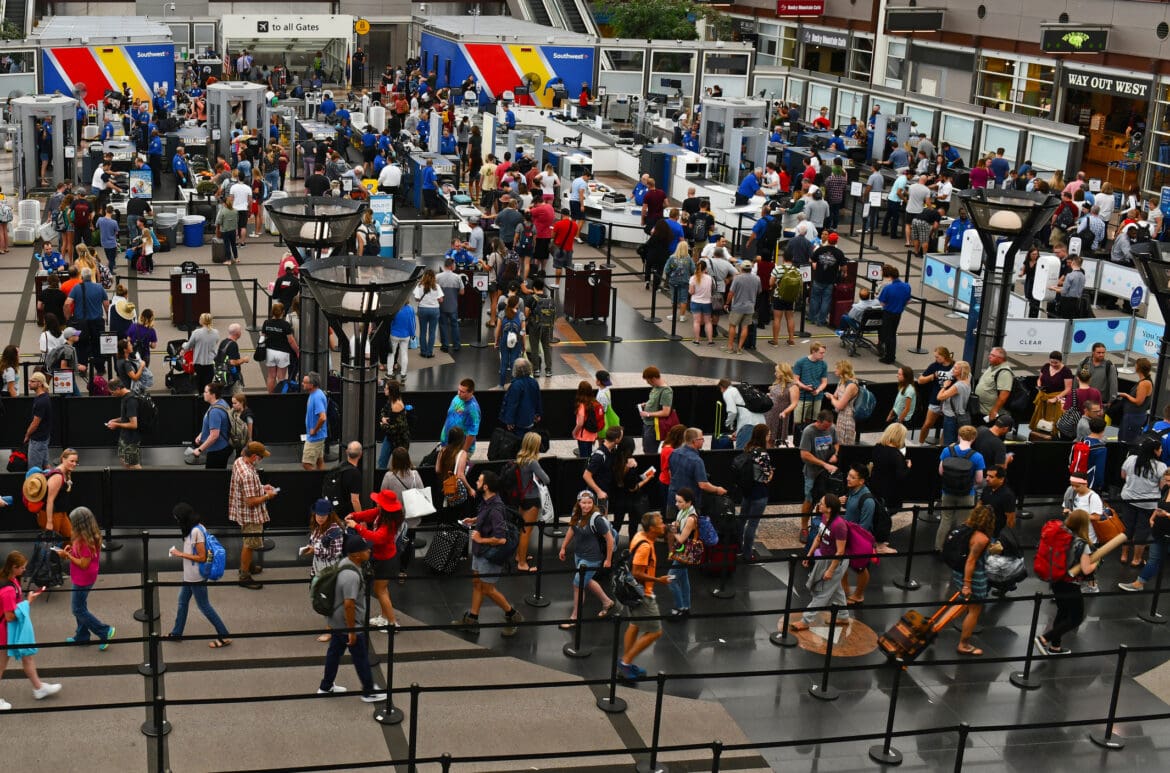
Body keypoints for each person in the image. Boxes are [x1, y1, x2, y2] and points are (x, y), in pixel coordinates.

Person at [316, 531, 387, 701]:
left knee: (334, 653)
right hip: (348, 624)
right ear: (356, 554)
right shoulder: (351, 576)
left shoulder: (346, 563)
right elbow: (349, 605)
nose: (369, 551)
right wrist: (352, 631)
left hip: (336, 620)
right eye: (366, 549)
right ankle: (369, 691)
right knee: (360, 657)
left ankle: (326, 687)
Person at [453, 471, 524, 637]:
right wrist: (475, 520)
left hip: (488, 554)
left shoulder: (496, 509)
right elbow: (486, 516)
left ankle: (513, 615)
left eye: (479, 480)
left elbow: (501, 540)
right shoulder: (487, 502)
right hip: (480, 552)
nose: (476, 481)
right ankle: (472, 619)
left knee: (488, 589)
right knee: (477, 583)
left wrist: (479, 539)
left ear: (485, 486)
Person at [0, 551, 62, 706]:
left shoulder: (9, 579)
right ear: (14, 567)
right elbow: (9, 616)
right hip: (4, 632)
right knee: (1, 665)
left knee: (27, 656)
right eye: (22, 568)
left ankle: (39, 688)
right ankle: (38, 688)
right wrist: (28, 602)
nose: (24, 570)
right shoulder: (8, 589)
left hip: (9, 630)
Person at [166, 503, 232, 648]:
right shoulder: (196, 527)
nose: (176, 521)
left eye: (177, 518)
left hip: (196, 577)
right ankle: (177, 633)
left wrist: (179, 553)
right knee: (182, 602)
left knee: (204, 606)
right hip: (189, 576)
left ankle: (224, 635)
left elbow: (202, 557)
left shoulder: (196, 531)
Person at [617, 511, 672, 682]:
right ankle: (625, 662)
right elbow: (637, 573)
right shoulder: (645, 546)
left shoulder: (641, 535)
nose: (664, 525)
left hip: (632, 593)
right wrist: (658, 580)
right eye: (660, 523)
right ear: (652, 529)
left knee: (634, 625)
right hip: (643, 595)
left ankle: (627, 662)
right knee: (655, 631)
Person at [1036, 509, 1098, 655]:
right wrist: (1097, 561)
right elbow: (1086, 569)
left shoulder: (1061, 536)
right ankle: (1045, 638)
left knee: (1062, 612)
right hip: (1071, 584)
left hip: (1056, 580)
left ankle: (1055, 647)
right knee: (1076, 617)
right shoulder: (1082, 543)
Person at [55, 507, 114, 649]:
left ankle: (104, 631)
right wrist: (71, 550)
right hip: (81, 577)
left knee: (77, 609)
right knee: (81, 605)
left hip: (83, 578)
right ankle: (82, 636)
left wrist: (68, 556)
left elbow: (83, 564)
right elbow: (79, 555)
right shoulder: (85, 536)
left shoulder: (85, 542)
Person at [790, 494, 850, 633]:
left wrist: (830, 570)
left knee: (822, 592)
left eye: (822, 503)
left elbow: (840, 552)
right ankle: (843, 616)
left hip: (835, 562)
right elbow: (818, 538)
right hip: (824, 558)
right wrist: (809, 555)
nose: (819, 505)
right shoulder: (824, 517)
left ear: (829, 508)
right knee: (835, 589)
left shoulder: (839, 526)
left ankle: (806, 621)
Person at [346, 489, 404, 630]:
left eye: (379, 502)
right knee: (382, 589)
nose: (376, 503)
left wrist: (357, 526)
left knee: (380, 591)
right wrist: (354, 515)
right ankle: (385, 617)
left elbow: (376, 538)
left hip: (386, 560)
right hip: (383, 558)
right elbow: (368, 514)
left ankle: (392, 623)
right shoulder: (384, 514)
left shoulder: (388, 524)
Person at [558, 490, 615, 627]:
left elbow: (610, 539)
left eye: (589, 503)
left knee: (577, 584)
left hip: (592, 558)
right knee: (587, 581)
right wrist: (563, 547)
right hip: (579, 555)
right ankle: (607, 602)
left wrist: (608, 559)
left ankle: (574, 618)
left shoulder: (597, 519)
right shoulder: (576, 513)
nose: (586, 506)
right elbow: (572, 529)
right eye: (583, 502)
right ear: (579, 503)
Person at [229, 441, 275, 590]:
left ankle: (247, 565)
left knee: (249, 542)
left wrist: (262, 488)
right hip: (250, 515)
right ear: (254, 456)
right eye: (261, 457)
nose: (261, 459)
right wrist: (268, 496)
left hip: (242, 512)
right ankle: (244, 575)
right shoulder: (248, 474)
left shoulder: (239, 462)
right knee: (249, 545)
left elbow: (247, 489)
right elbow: (251, 501)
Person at [952, 505, 994, 656]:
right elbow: (971, 561)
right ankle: (964, 644)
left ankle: (936, 626)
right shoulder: (981, 538)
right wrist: (967, 584)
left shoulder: (964, 528)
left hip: (958, 570)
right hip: (973, 577)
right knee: (974, 610)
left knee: (964, 603)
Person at [936, 425, 986, 551]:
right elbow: (980, 480)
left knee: (945, 520)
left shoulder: (947, 451)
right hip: (967, 494)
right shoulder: (977, 456)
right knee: (963, 522)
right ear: (974, 438)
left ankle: (939, 547)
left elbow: (941, 472)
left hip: (947, 491)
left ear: (959, 436)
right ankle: (958, 549)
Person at [1119, 434, 1166, 567]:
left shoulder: (1131, 459)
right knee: (1142, 531)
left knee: (1127, 528)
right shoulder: (1161, 466)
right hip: (1148, 504)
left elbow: (1123, 475)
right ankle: (1136, 560)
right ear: (1154, 451)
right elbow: (1163, 486)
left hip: (1128, 499)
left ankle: (1123, 556)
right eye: (1160, 449)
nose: (1161, 451)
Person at [869, 423, 911, 552]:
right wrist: (907, 467)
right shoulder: (896, 455)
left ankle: (873, 538)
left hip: (875, 486)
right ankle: (880, 544)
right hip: (889, 490)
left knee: (877, 514)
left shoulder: (877, 447)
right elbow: (900, 476)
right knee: (885, 517)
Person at [799, 410, 840, 541]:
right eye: (825, 426)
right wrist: (823, 464)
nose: (827, 429)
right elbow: (804, 454)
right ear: (818, 421)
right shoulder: (809, 431)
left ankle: (819, 525)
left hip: (826, 472)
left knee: (824, 500)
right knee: (809, 499)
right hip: (812, 472)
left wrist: (835, 454)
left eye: (829, 426)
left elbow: (836, 443)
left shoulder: (831, 428)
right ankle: (804, 527)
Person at [738, 425, 774, 561]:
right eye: (768, 435)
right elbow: (766, 477)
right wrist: (771, 474)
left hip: (747, 490)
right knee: (752, 524)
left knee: (742, 520)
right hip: (759, 492)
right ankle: (747, 554)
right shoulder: (763, 453)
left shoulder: (747, 449)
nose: (769, 437)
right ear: (763, 436)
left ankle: (737, 547)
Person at [665, 488, 701, 619]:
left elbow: (681, 539)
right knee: (684, 580)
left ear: (688, 502)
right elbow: (678, 525)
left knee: (670, 579)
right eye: (676, 501)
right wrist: (675, 525)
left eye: (680, 502)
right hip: (681, 551)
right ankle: (686, 607)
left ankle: (680, 607)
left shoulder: (691, 519)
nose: (676, 504)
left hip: (684, 552)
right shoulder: (682, 512)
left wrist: (673, 530)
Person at [918, 347, 955, 445]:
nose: (936, 359)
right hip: (936, 399)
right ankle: (920, 443)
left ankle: (941, 447)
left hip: (950, 401)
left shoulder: (955, 366)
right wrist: (933, 376)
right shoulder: (934, 366)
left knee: (946, 427)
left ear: (944, 356)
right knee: (927, 424)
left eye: (938, 357)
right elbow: (920, 380)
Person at [192, 381, 233, 469]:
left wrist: (199, 449)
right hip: (223, 447)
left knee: (213, 479)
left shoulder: (215, 412)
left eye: (206, 392)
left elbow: (214, 436)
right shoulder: (221, 402)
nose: (203, 394)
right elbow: (211, 425)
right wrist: (201, 434)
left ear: (213, 394)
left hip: (217, 451)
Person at [105, 378, 142, 470]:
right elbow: (127, 417)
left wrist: (116, 425)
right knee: (124, 461)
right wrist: (115, 420)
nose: (112, 395)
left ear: (118, 389)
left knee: (133, 465)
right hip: (125, 437)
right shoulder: (125, 397)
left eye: (112, 392)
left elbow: (134, 424)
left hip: (131, 439)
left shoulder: (131, 400)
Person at [719, 379, 767, 450]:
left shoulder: (728, 392)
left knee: (742, 453)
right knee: (759, 451)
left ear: (722, 387)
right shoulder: (742, 391)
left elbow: (732, 411)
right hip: (762, 423)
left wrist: (727, 424)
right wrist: (738, 431)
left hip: (748, 425)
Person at [877, 265, 911, 364]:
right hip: (898, 313)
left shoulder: (888, 288)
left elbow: (882, 303)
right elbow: (908, 300)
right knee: (893, 334)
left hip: (888, 313)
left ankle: (889, 356)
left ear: (890, 276)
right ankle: (891, 355)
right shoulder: (906, 286)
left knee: (888, 335)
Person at [725, 260, 761, 354]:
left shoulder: (737, 278)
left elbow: (731, 293)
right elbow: (759, 291)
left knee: (732, 325)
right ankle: (740, 348)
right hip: (750, 307)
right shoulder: (757, 278)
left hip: (738, 306)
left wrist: (727, 303)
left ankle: (730, 346)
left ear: (741, 268)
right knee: (745, 327)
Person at [638, 366, 675, 455]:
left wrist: (648, 414)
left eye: (648, 381)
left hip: (654, 427)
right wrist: (647, 404)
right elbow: (654, 400)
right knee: (646, 447)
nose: (647, 383)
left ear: (653, 378)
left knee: (650, 451)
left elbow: (666, 412)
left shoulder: (666, 391)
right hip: (647, 424)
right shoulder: (656, 387)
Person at [1117, 357, 1154, 444]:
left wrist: (1126, 395)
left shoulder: (1144, 383)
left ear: (1138, 368)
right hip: (1132, 416)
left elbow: (1138, 401)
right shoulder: (1143, 381)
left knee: (1126, 441)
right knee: (1123, 438)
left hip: (1134, 417)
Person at [936, 361, 973, 446]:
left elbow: (939, 397)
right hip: (960, 415)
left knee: (949, 442)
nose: (952, 370)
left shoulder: (958, 386)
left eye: (955, 368)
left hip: (951, 417)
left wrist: (944, 386)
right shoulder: (968, 378)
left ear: (962, 371)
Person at [441, 378, 481, 453]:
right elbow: (449, 416)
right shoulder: (457, 398)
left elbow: (472, 433)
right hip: (446, 443)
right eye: (458, 389)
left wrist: (464, 451)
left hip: (459, 448)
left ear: (471, 392)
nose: (459, 393)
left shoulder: (473, 409)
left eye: (462, 391)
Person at [766, 362, 799, 447]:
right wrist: (770, 395)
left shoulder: (793, 386)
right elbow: (776, 394)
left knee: (772, 438)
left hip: (779, 415)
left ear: (783, 372)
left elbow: (794, 403)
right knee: (766, 437)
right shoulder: (778, 382)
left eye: (777, 371)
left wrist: (785, 412)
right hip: (769, 413)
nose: (775, 373)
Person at [979, 464, 1017, 538]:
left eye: (991, 477)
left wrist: (1003, 538)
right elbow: (979, 505)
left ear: (1001, 479)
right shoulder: (987, 488)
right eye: (987, 475)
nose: (987, 478)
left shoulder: (1007, 495)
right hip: (982, 529)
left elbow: (1010, 520)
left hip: (996, 534)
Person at [24, 372, 52, 472]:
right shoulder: (43, 398)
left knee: (34, 470)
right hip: (43, 438)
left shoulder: (41, 401)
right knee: (45, 465)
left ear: (40, 383)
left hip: (38, 440)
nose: (29, 383)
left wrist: (27, 435)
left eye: (32, 381)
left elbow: (35, 423)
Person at [301, 371, 329, 471]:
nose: (302, 384)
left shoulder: (317, 397)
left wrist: (314, 430)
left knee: (306, 464)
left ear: (311, 385)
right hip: (319, 436)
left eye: (304, 382)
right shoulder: (315, 394)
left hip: (315, 438)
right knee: (319, 461)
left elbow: (323, 417)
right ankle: (322, 482)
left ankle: (316, 481)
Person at [829, 360, 860, 446]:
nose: (834, 370)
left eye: (837, 369)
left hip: (848, 418)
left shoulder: (851, 385)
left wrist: (832, 398)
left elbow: (840, 405)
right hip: (840, 416)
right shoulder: (841, 381)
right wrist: (833, 398)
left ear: (843, 370)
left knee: (846, 444)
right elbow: (835, 396)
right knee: (838, 441)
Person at [1078, 342, 1118, 406]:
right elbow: (1078, 380)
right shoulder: (1084, 363)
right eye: (1099, 353)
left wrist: (1111, 401)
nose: (1101, 355)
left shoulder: (1109, 366)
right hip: (1084, 400)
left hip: (1100, 402)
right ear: (1093, 352)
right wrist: (1074, 395)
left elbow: (1113, 385)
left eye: (1103, 353)